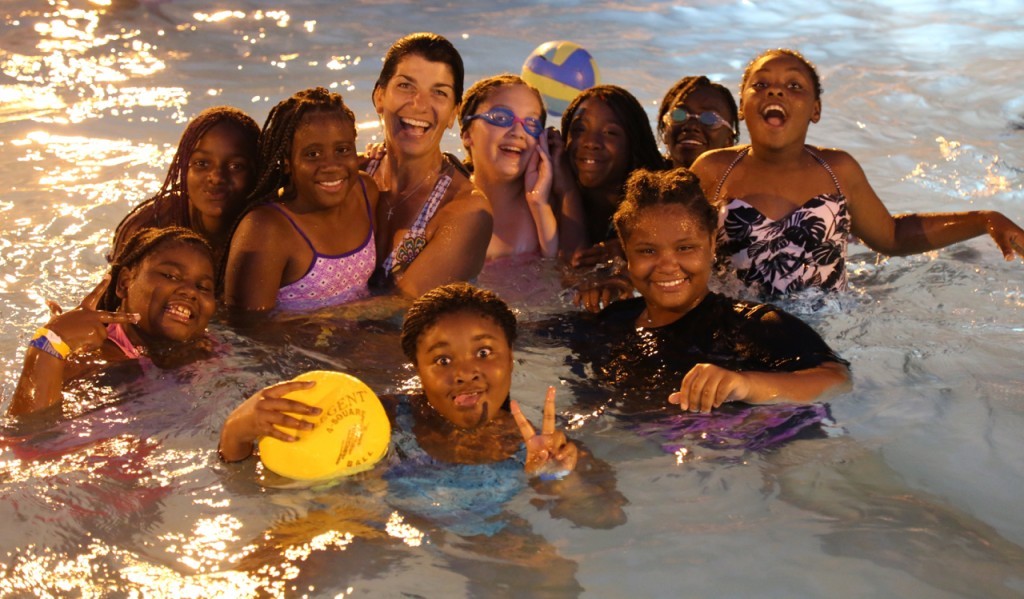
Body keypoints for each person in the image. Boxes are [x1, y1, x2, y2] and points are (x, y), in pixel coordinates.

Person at [220, 283, 625, 526]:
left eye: (484, 353)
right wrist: (237, 430)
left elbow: (606, 518)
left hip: (484, 543)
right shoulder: (380, 417)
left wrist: (558, 479)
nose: (465, 373)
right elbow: (268, 477)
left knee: (550, 576)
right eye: (443, 361)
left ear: (511, 356)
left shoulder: (541, 446)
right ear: (417, 368)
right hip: (374, 534)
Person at [691, 48, 1024, 298]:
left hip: (826, 328)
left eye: (794, 86)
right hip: (737, 323)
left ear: (815, 110)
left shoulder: (837, 170)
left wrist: (984, 219)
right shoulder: (713, 170)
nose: (775, 91)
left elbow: (891, 237)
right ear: (741, 107)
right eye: (760, 84)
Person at [577, 167, 850, 413]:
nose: (667, 265)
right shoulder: (612, 322)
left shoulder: (748, 325)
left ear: (711, 244)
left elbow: (837, 379)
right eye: (647, 251)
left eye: (685, 248)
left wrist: (745, 384)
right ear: (626, 252)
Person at [9, 227, 217, 417]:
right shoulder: (92, 359)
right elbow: (26, 436)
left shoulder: (212, 350)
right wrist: (51, 342)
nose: (190, 291)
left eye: (204, 287)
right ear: (125, 282)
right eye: (170, 276)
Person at [223, 87, 379, 312]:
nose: (331, 166)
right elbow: (249, 333)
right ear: (287, 161)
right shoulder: (267, 229)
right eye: (313, 154)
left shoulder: (365, 192)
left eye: (342, 150)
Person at [366, 33, 492, 297]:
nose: (419, 104)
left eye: (439, 92)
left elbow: (399, 306)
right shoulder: (352, 174)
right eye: (405, 86)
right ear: (379, 96)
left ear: (453, 114)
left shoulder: (467, 211)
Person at [110, 106, 259, 266]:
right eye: (201, 163)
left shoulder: (267, 231)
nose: (216, 177)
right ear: (183, 168)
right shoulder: (148, 225)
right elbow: (114, 287)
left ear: (257, 171)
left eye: (236, 166)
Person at [459, 74, 577, 260]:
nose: (518, 132)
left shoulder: (554, 209)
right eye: (501, 117)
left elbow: (562, 274)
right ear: (467, 134)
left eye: (531, 123)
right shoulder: (445, 203)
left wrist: (539, 204)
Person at [558, 84, 665, 268]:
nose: (591, 142)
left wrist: (632, 248)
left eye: (610, 133)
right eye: (579, 129)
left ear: (634, 144)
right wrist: (566, 188)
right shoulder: (549, 194)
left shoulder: (659, 203)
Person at [657, 76, 739, 169]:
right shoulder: (643, 181)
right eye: (679, 115)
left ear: (728, 141)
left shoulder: (745, 182)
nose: (691, 126)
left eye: (709, 118)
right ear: (665, 131)